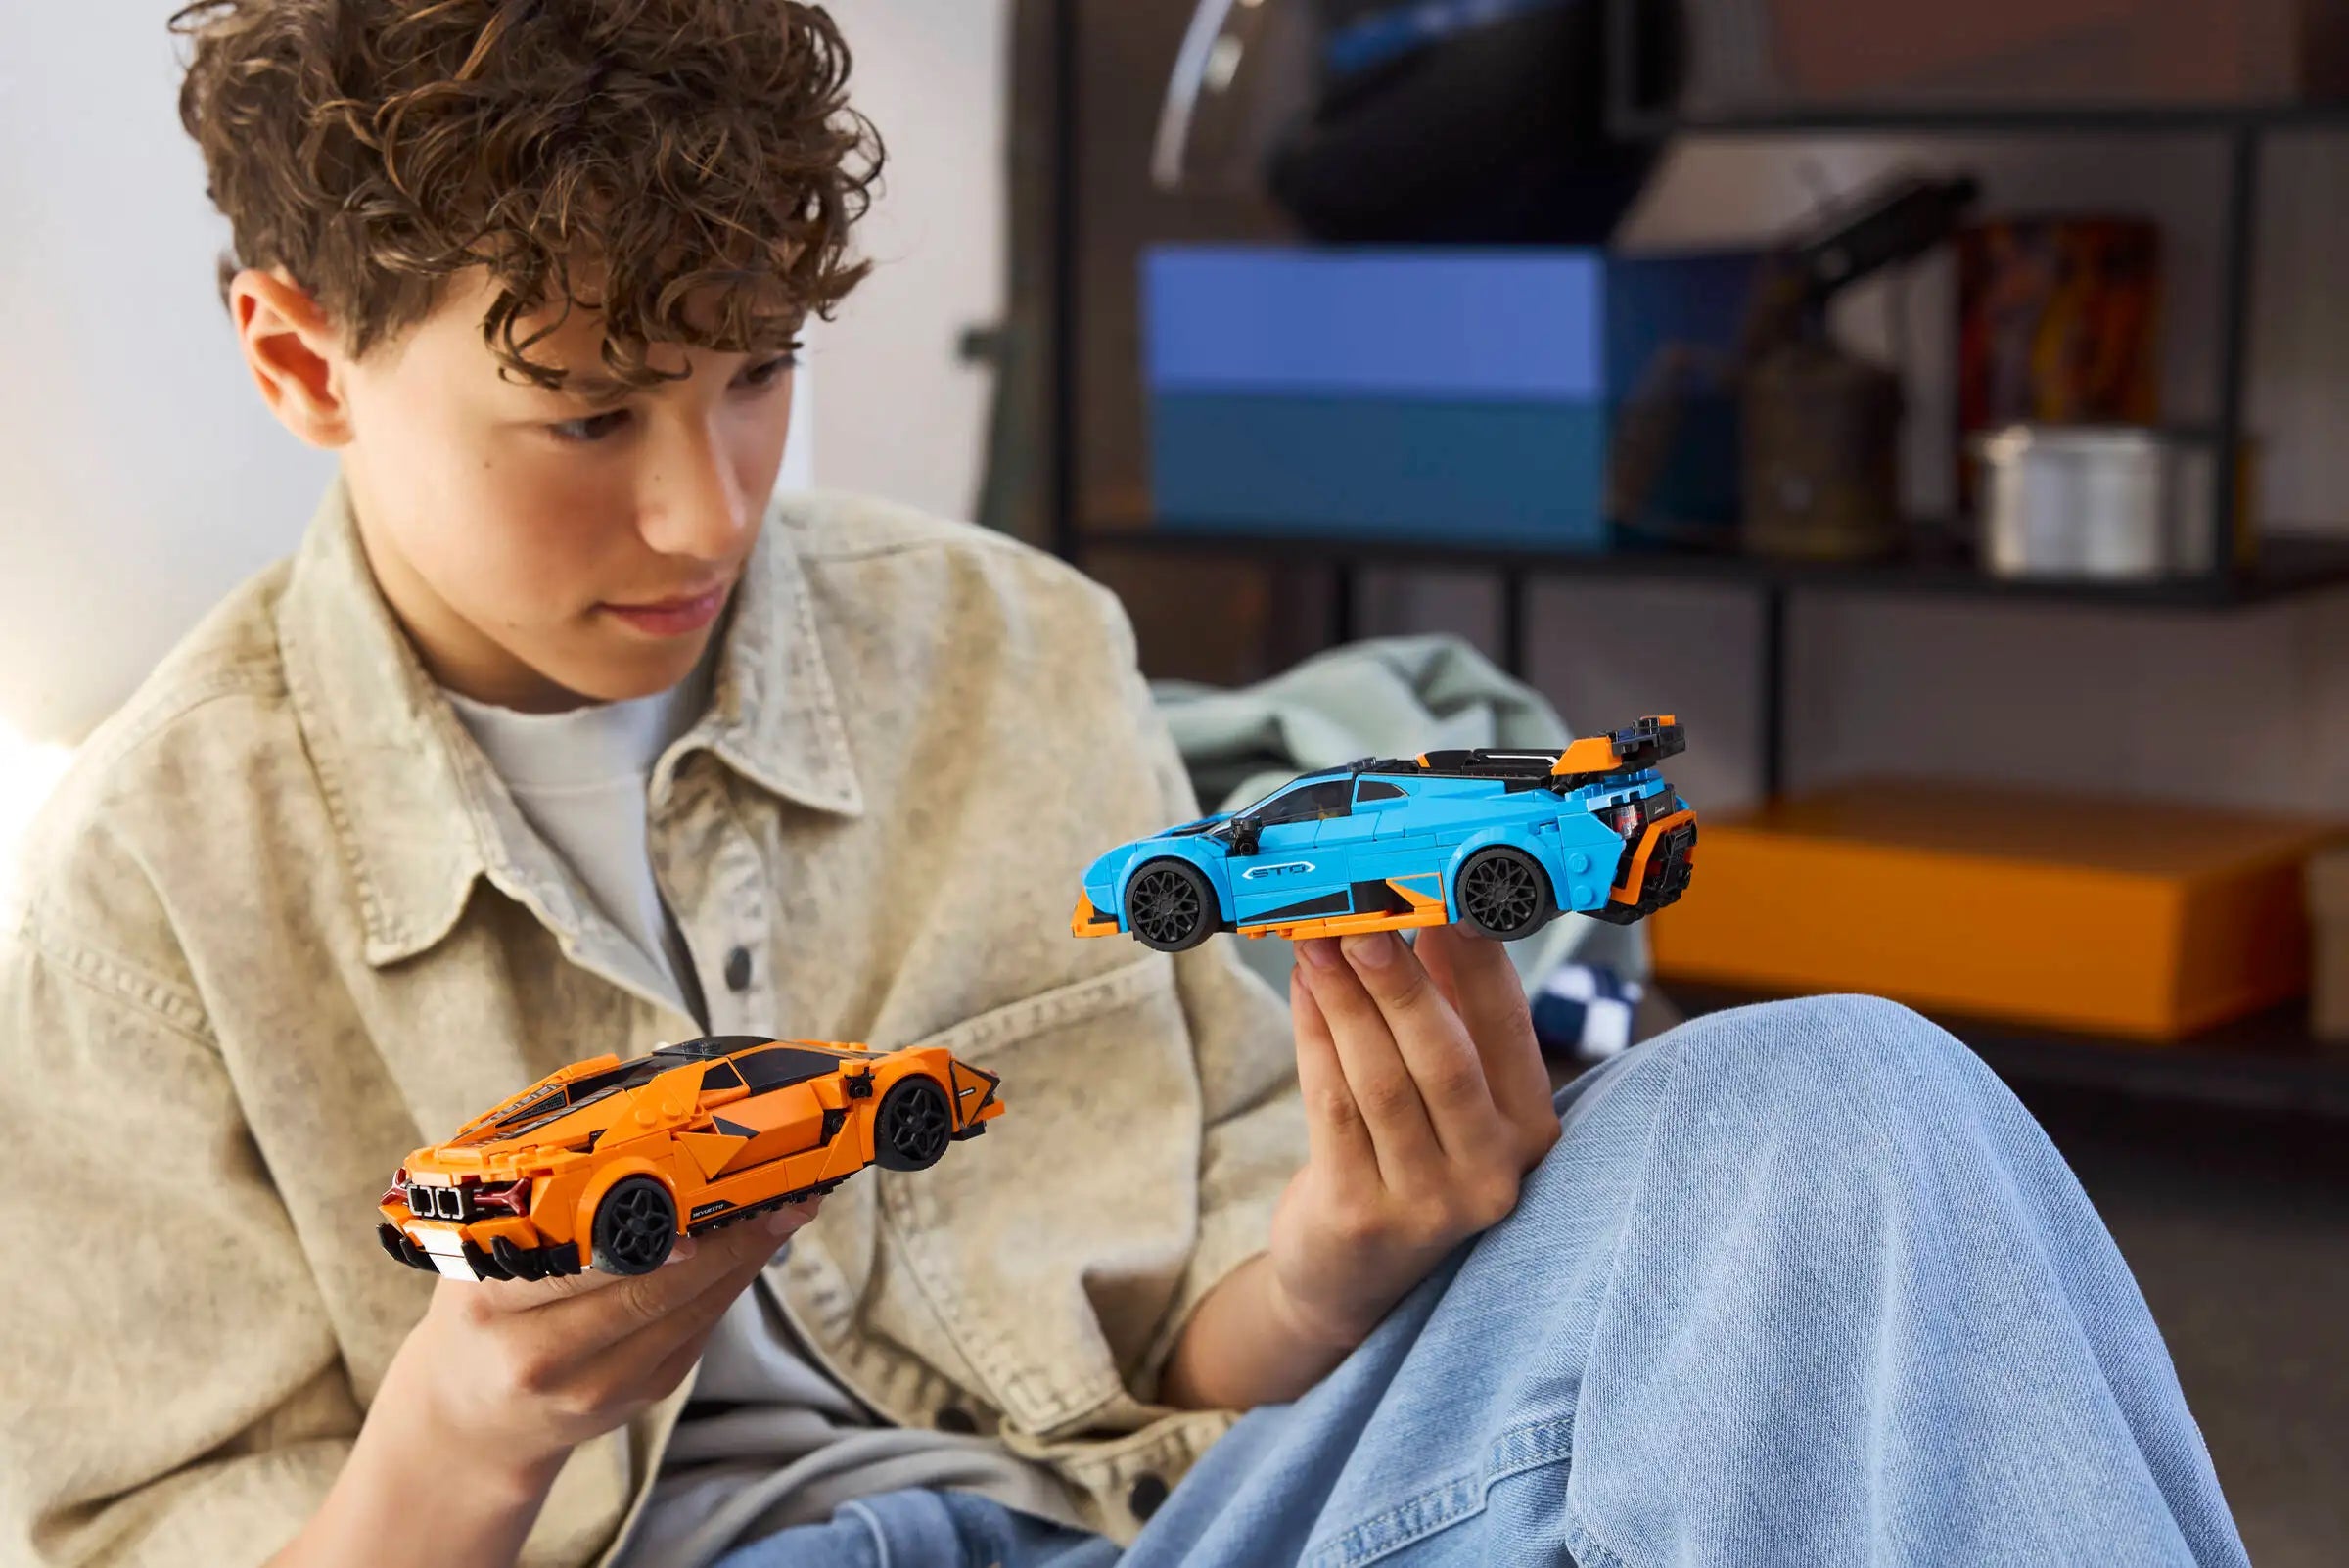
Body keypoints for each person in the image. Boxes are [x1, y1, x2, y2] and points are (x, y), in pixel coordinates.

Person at [0, 4, 2248, 1566]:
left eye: (760, 374)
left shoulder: (997, 647)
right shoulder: (150, 903)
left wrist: (1347, 1250)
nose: (706, 512)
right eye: (590, 416)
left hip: (1169, 1529)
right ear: (303, 358)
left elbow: (1188, 1363)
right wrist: (475, 1434)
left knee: (1834, 1100)